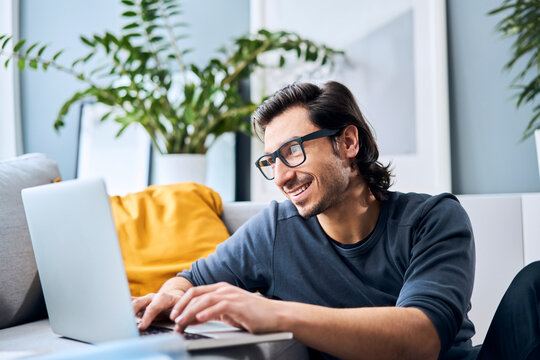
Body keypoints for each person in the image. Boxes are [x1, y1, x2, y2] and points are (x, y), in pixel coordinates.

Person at [134, 81, 540, 360]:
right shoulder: (274, 229)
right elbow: (191, 277)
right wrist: (172, 294)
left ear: (348, 142)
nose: (280, 176)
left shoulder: (432, 218)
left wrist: (275, 314)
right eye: (270, 161)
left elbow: (421, 340)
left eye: (292, 151)